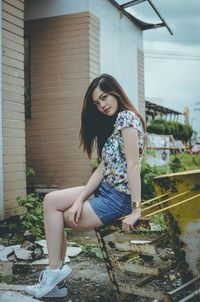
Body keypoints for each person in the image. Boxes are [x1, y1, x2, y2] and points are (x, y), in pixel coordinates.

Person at [25, 74, 145, 298]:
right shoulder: (115, 122)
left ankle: (54, 278)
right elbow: (102, 169)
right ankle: (55, 277)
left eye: (105, 97)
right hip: (104, 191)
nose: (103, 105)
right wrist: (79, 199)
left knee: (63, 217)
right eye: (97, 103)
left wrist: (136, 209)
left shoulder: (127, 118)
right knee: (51, 201)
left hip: (118, 198)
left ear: (115, 92)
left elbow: (133, 164)